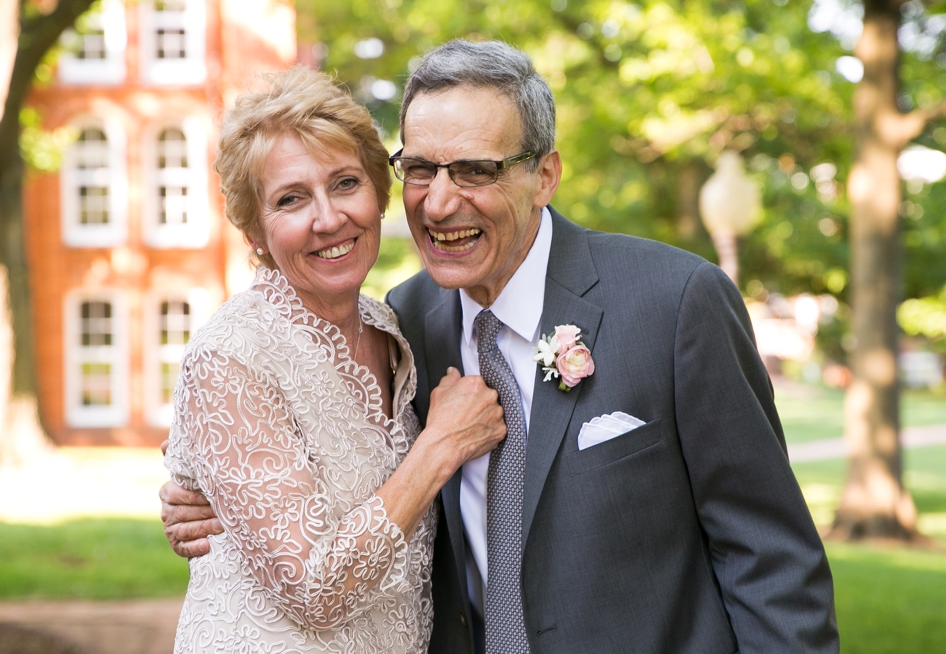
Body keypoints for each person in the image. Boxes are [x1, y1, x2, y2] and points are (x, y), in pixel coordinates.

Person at [163, 41, 840, 653]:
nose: (439, 203)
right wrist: (208, 493)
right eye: (422, 169)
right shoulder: (408, 321)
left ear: (544, 175)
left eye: (477, 170)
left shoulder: (673, 303)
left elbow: (769, 556)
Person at [162, 65, 506, 654]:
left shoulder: (394, 326)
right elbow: (315, 586)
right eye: (291, 199)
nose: (328, 218)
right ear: (256, 234)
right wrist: (440, 447)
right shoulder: (231, 355)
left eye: (345, 183)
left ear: (378, 192)